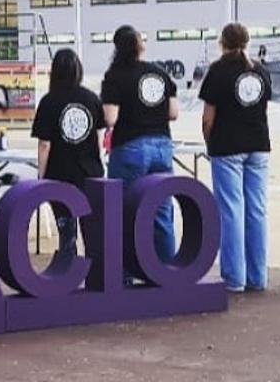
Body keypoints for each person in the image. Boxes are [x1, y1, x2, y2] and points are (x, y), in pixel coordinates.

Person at [201, 23, 272, 293]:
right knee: (257, 211)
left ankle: (234, 278)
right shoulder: (261, 71)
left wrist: (210, 144)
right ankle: (258, 277)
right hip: (259, 145)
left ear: (222, 42)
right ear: (248, 42)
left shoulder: (217, 71)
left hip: (228, 147)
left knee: (231, 211)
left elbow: (208, 118)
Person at [101, 25, 179, 263]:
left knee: (124, 210)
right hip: (163, 145)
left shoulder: (115, 75)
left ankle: (124, 271)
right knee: (162, 209)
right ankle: (166, 268)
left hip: (130, 146)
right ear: (140, 45)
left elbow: (110, 118)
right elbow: (173, 113)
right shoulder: (160, 73)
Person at [31, 49, 105, 260]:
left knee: (66, 233)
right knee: (92, 229)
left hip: (60, 174)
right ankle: (97, 275)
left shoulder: (48, 101)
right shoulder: (91, 98)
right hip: (90, 173)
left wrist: (41, 176)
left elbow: (44, 144)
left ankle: (69, 272)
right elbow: (98, 136)